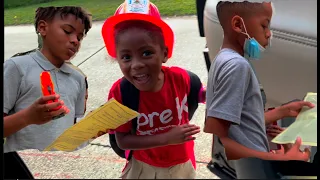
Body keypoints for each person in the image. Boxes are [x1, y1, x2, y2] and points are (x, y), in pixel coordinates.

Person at [102, 0, 204, 179]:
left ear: (164, 53)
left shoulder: (181, 79)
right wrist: (166, 138)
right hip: (144, 167)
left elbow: (201, 94)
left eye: (146, 53)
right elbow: (123, 141)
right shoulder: (120, 92)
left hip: (181, 164)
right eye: (126, 57)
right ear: (117, 59)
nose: (136, 65)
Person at [204, 1, 314, 161]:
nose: (269, 34)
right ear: (237, 25)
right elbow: (221, 138)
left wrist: (281, 112)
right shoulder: (237, 66)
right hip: (253, 167)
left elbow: (238, 122)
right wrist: (279, 159)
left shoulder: (224, 58)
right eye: (264, 26)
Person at [4, 6, 92, 179]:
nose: (75, 40)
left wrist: (93, 128)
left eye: (80, 37)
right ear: (43, 28)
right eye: (68, 31)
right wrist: (27, 117)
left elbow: (72, 130)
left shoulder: (78, 78)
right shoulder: (16, 67)